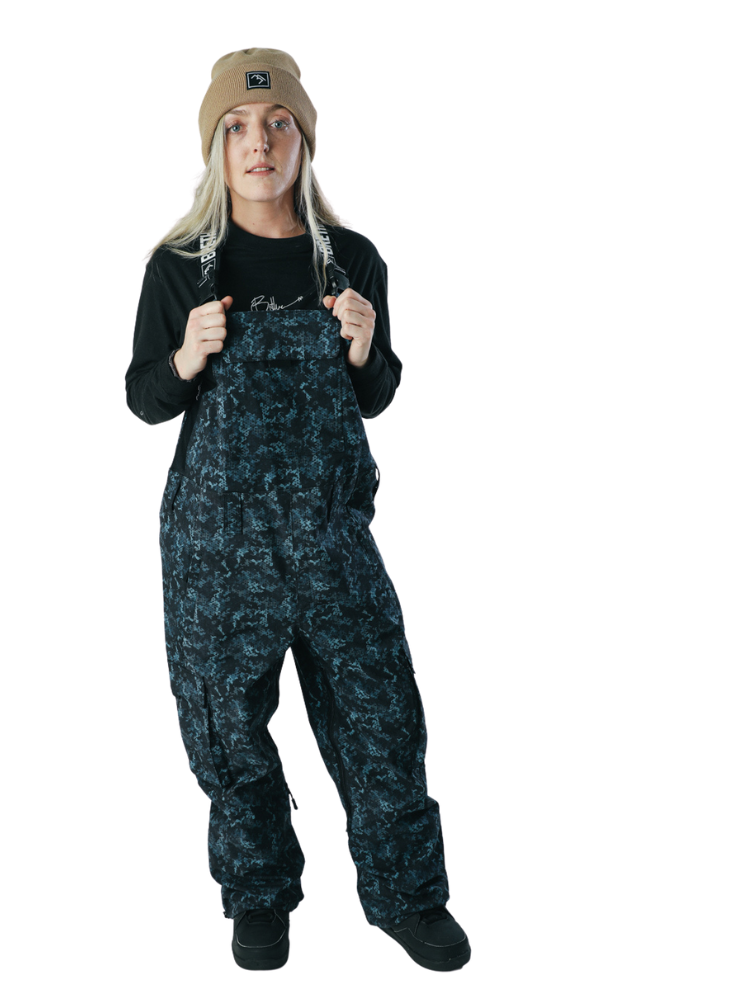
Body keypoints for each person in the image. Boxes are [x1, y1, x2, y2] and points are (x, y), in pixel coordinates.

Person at [125, 48, 470, 973]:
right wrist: (185, 358)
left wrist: (364, 351)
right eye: (238, 127)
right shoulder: (180, 267)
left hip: (331, 537)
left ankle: (407, 897)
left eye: (278, 124)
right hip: (216, 545)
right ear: (215, 146)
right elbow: (144, 398)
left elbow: (377, 395)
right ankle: (259, 897)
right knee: (227, 730)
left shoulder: (351, 260)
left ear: (303, 141)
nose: (259, 142)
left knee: (381, 717)